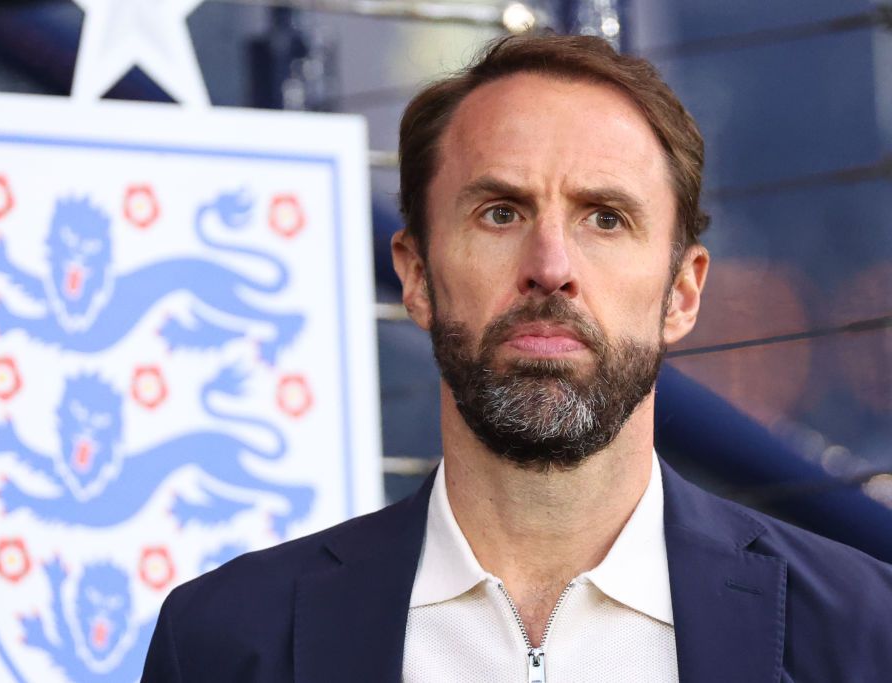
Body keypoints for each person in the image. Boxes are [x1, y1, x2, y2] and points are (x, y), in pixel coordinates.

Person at [142, 34, 892, 682]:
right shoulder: (229, 639)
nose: (551, 264)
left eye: (605, 217)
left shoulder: (863, 635)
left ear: (683, 293)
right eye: (501, 212)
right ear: (414, 273)